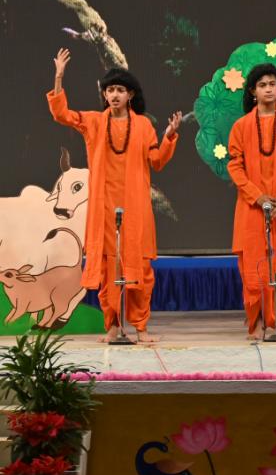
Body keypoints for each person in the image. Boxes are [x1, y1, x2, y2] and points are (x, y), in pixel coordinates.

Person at [48, 48, 180, 343]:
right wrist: (59, 77)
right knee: (110, 271)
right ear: (105, 95)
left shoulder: (143, 125)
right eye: (110, 90)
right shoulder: (94, 122)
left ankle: (141, 328)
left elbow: (157, 160)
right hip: (105, 209)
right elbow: (61, 114)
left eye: (120, 90)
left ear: (130, 94)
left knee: (140, 272)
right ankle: (112, 326)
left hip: (136, 209)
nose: (115, 95)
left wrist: (169, 136)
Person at [227, 63, 276, 341]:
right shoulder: (241, 127)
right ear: (253, 91)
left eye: (272, 84)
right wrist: (258, 197)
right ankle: (257, 323)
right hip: (252, 208)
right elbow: (235, 166)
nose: (268, 89)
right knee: (254, 269)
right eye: (262, 85)